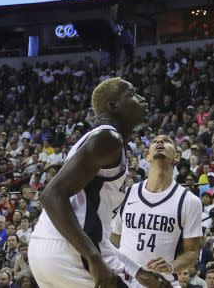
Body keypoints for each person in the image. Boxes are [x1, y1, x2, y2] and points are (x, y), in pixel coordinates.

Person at [30, 77, 171, 288]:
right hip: (72, 252)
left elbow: (97, 235)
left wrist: (137, 271)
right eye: (132, 94)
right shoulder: (108, 139)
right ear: (113, 106)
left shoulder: (103, 141)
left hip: (54, 248)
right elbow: (51, 195)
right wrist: (93, 258)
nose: (142, 99)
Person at [110, 135, 205, 285]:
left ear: (177, 157)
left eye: (166, 141)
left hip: (162, 282)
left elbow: (192, 253)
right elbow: (114, 237)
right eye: (155, 141)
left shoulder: (189, 201)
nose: (160, 142)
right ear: (147, 156)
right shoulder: (126, 194)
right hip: (126, 281)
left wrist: (171, 266)